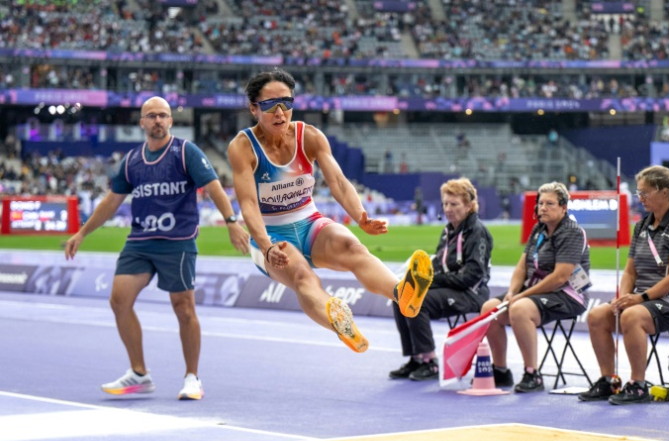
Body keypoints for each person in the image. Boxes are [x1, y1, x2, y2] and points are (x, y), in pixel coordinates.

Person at [227, 69, 433, 353]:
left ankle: (402, 294)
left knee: (352, 246)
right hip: (269, 232)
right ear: (253, 109)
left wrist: (361, 216)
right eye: (269, 105)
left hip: (309, 222)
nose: (279, 112)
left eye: (286, 103)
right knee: (302, 276)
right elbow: (248, 204)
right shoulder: (242, 147)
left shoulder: (308, 135)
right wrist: (265, 246)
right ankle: (337, 320)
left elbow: (337, 181)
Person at [64, 96, 250, 401]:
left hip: (177, 241)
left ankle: (192, 377)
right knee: (119, 301)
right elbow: (112, 201)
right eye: (151, 116)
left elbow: (213, 185)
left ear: (171, 121)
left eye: (163, 115)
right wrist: (82, 233)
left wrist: (231, 220)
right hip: (140, 241)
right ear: (142, 123)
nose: (158, 121)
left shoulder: (185, 151)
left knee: (183, 308)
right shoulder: (133, 161)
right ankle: (139, 373)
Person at [579, 165, 669, 405]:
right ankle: (608, 380)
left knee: (631, 316)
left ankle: (638, 384)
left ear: (664, 193)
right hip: (643, 300)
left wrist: (640, 298)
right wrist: (622, 298)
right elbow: (630, 270)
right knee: (596, 316)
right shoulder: (642, 225)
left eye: (645, 193)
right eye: (639, 193)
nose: (640, 198)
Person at [481, 182, 591, 392]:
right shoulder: (538, 229)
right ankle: (501, 370)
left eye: (549, 204)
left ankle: (532, 374)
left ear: (563, 208)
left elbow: (559, 278)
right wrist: (513, 291)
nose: (543, 208)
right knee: (489, 309)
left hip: (567, 294)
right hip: (534, 291)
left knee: (520, 309)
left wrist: (522, 297)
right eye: (540, 204)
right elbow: (521, 267)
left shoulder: (572, 233)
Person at [390, 178, 493, 381]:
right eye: (445, 203)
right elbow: (438, 265)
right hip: (451, 288)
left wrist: (432, 282)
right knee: (401, 294)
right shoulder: (448, 231)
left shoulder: (478, 232)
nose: (448, 209)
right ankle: (416, 358)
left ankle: (430, 361)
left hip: (471, 293)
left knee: (418, 300)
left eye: (454, 204)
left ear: (469, 205)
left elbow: (471, 275)